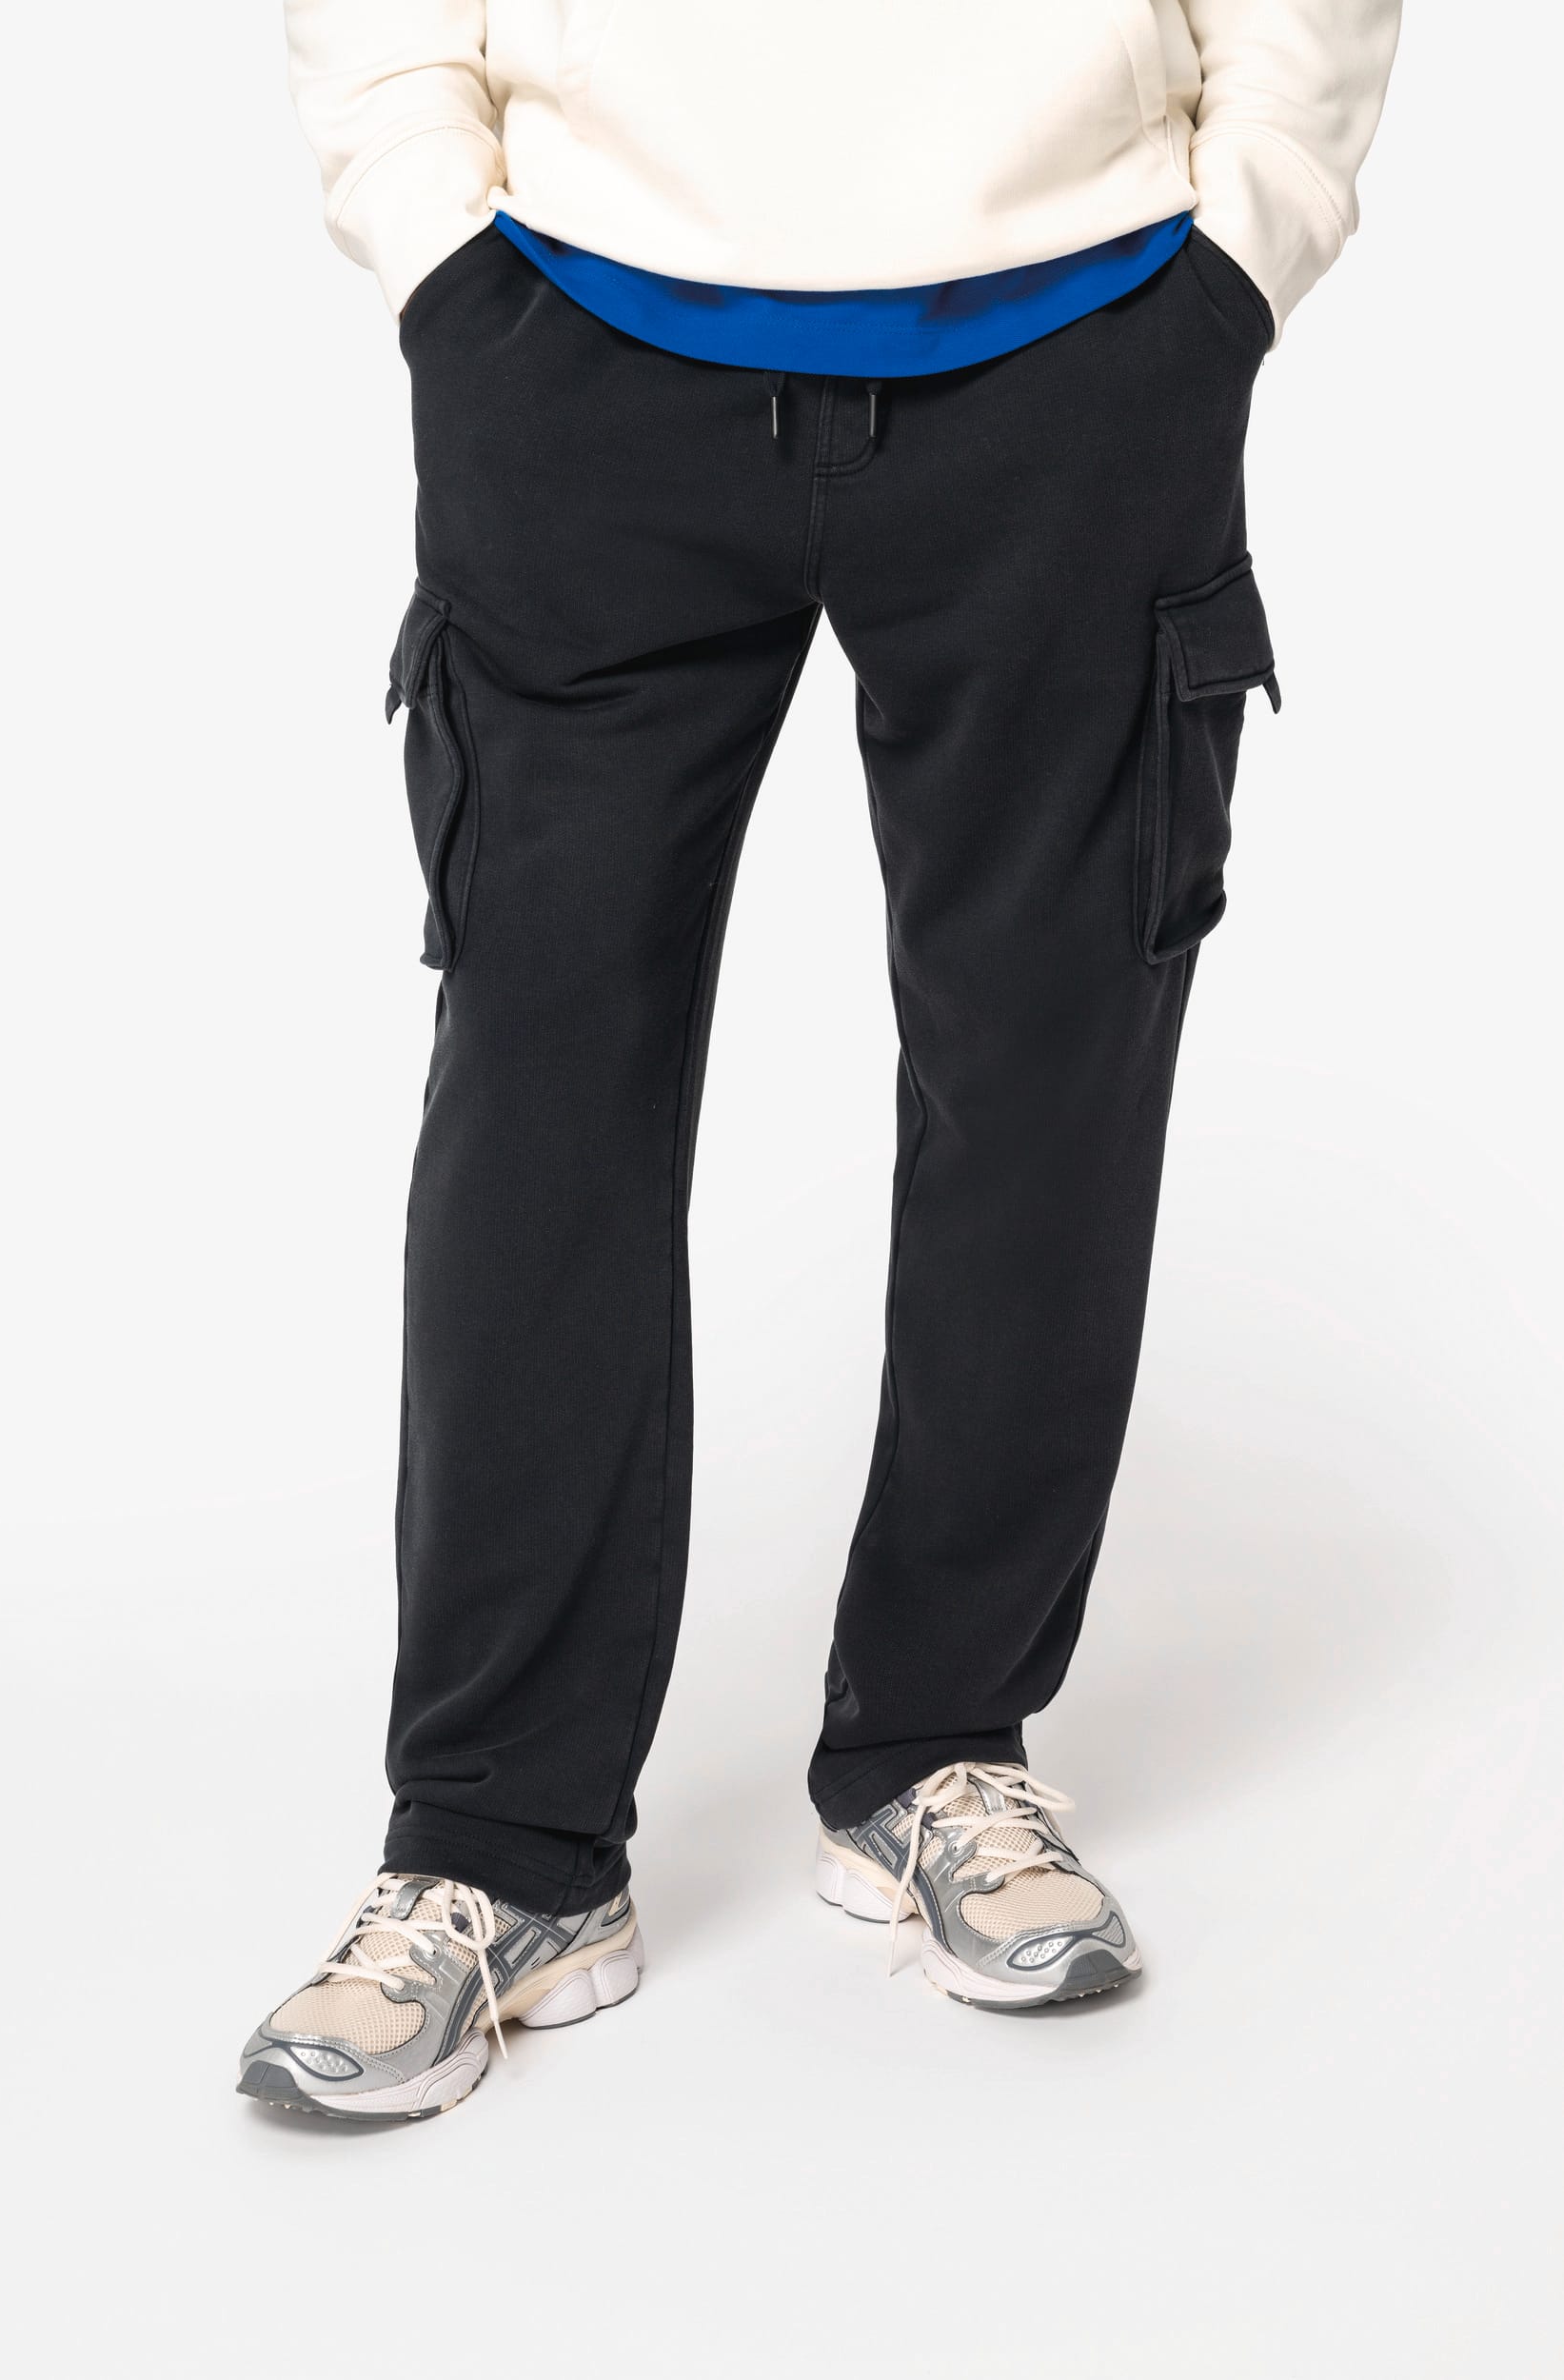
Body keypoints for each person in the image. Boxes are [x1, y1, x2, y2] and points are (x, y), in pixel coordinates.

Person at [239, 0, 1400, 2120]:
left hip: (1080, 339)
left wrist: (1240, 249)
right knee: (540, 1095)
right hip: (578, 337)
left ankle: (940, 1744)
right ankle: (496, 1841)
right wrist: (435, 241)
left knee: (1040, 1077)